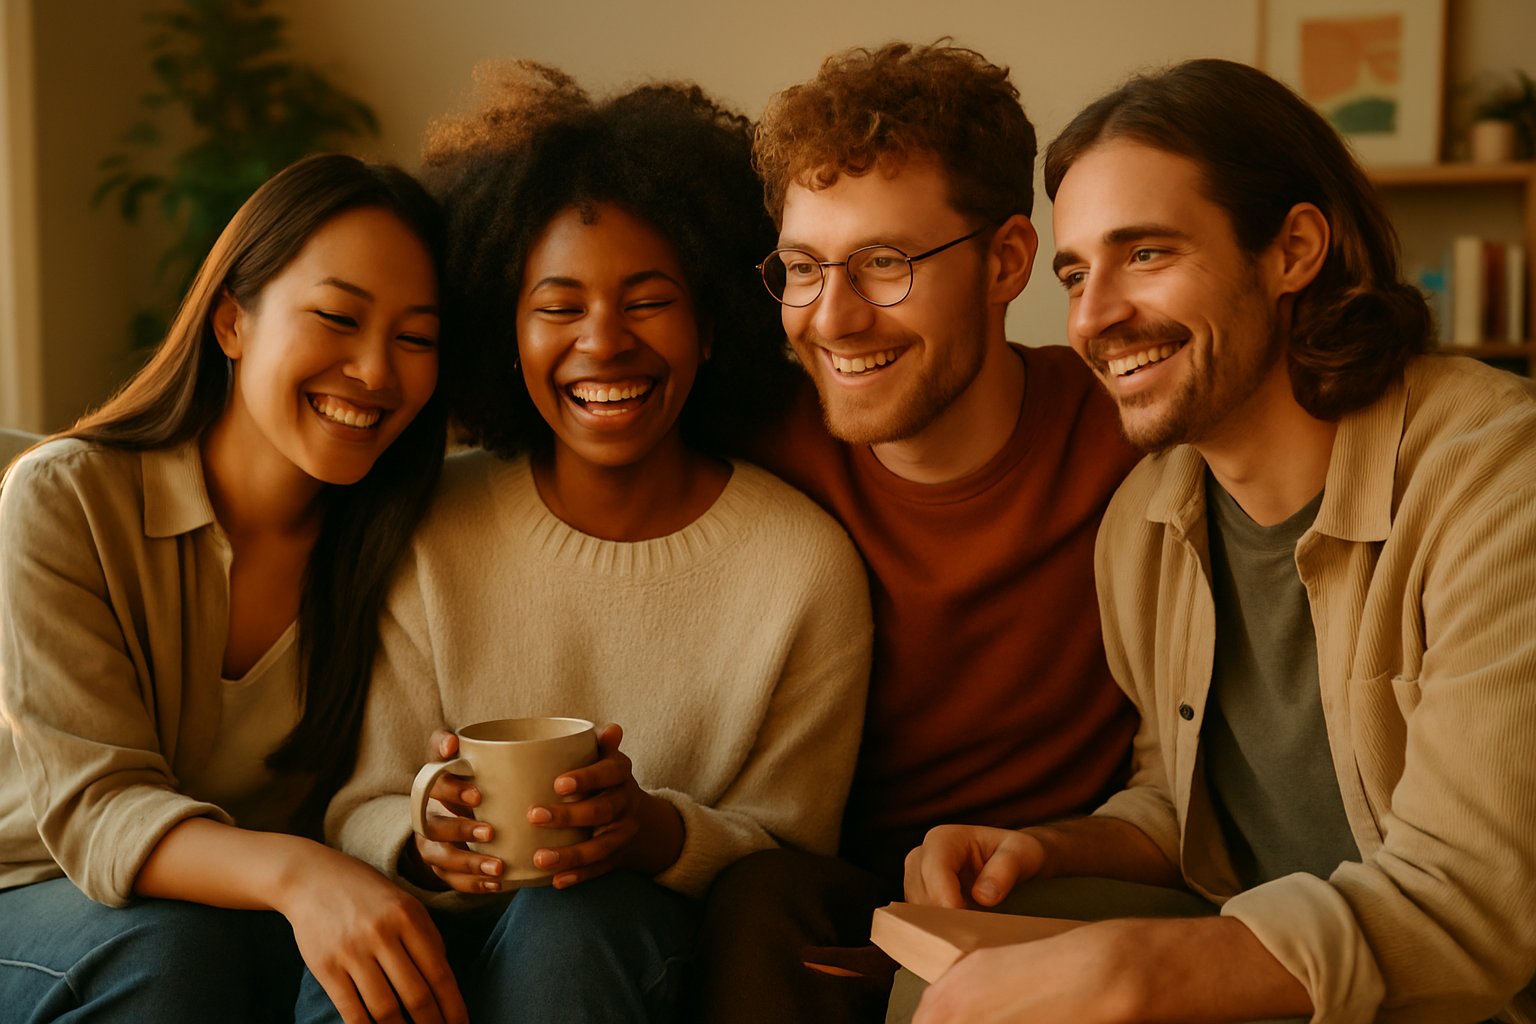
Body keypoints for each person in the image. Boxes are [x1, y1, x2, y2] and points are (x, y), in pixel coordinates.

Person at [894, 57, 1536, 1024]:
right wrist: (1047, 848)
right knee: (945, 975)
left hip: (1459, 995)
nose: (1092, 317)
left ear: (1293, 249)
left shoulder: (1496, 478)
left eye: (1145, 253)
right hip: (1270, 960)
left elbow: (1473, 904)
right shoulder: (1143, 524)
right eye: (1076, 271)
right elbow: (1189, 800)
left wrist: (1141, 973)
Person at [302, 64, 872, 1024]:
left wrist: (649, 833)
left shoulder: (802, 567)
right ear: (503, 329)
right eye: (558, 307)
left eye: (648, 300)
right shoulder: (431, 527)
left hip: (640, 950)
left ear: (711, 322)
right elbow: (360, 804)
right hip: (439, 925)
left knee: (571, 926)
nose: (603, 343)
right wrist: (421, 829)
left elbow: (792, 849)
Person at [695, 40, 1142, 1023]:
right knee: (760, 905)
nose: (834, 317)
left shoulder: (1131, 435)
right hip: (830, 891)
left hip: (1061, 884)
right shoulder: (753, 448)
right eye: (803, 268)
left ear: (1008, 261)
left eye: (884, 264)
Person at [0, 154, 468, 1024]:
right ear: (230, 322)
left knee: (380, 967)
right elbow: (98, 810)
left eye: (415, 338)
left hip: (244, 915)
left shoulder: (408, 537)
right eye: (337, 317)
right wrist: (304, 877)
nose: (375, 371)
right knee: (172, 949)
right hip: (32, 889)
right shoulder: (65, 498)